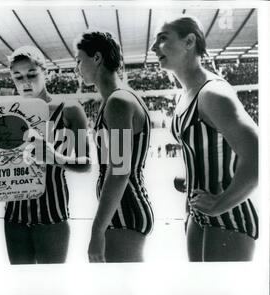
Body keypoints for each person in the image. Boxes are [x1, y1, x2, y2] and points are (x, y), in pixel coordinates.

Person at [151, 16, 258, 261]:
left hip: (229, 218)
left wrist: (220, 204)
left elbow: (260, 156)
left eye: (162, 39)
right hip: (200, 216)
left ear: (189, 42)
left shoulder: (213, 93)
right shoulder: (185, 96)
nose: (153, 48)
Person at [5, 46, 91, 264]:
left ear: (45, 73)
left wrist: (55, 158)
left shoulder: (69, 109)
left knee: (52, 287)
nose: (25, 82)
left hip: (52, 213)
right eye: (18, 76)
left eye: (32, 74)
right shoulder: (5, 113)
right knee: (21, 288)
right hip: (14, 215)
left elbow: (86, 163)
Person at [74, 31, 154, 262]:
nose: (77, 68)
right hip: (125, 209)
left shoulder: (118, 102)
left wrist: (97, 231)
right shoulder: (121, 98)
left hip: (125, 213)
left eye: (79, 60)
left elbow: (119, 171)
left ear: (97, 58)